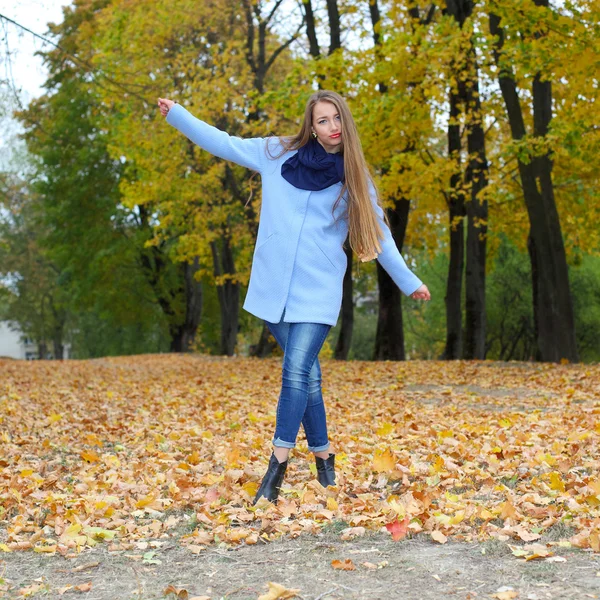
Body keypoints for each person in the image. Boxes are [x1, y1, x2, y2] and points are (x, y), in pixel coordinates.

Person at [158, 90, 430, 505]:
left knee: (295, 370)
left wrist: (409, 281)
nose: (332, 127)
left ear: (346, 122)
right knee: (309, 380)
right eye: (323, 120)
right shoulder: (276, 153)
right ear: (312, 125)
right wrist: (179, 116)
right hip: (274, 287)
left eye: (337, 118)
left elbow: (379, 236)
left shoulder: (355, 176)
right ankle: (325, 461)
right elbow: (224, 142)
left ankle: (277, 465)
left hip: (317, 288)